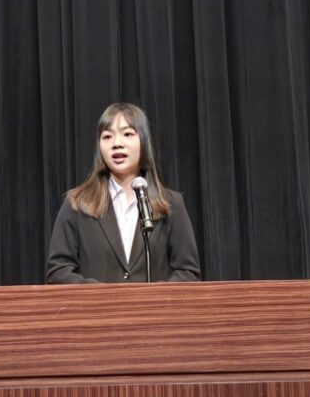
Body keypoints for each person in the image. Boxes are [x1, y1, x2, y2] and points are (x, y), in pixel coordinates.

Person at [46, 102, 201, 283]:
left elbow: (188, 272)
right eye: (107, 137)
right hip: (95, 302)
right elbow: (58, 271)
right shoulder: (77, 203)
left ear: (144, 141)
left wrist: (155, 295)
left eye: (127, 134)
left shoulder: (171, 204)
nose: (117, 144)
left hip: (155, 303)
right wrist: (104, 294)